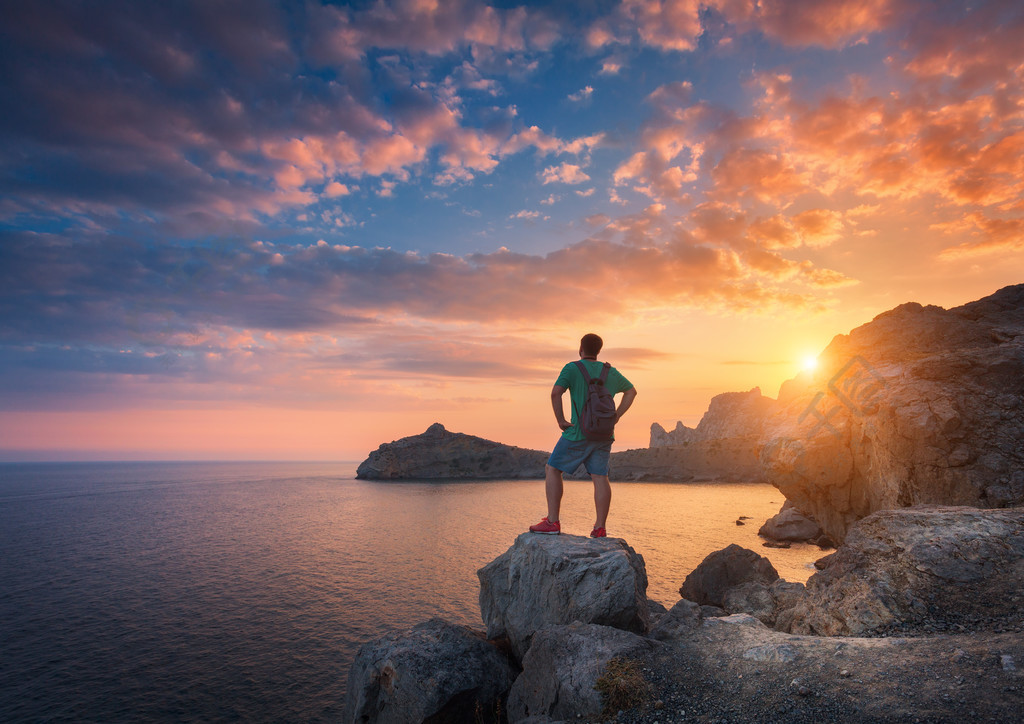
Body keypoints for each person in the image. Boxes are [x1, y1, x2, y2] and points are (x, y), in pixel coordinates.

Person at [529, 333, 637, 538]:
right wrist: (617, 416)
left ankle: (552, 522)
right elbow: (632, 391)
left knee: (552, 469)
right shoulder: (610, 372)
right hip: (604, 434)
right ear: (598, 351)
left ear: (581, 349)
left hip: (578, 433)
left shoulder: (572, 368)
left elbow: (555, 393)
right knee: (600, 477)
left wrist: (560, 420)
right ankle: (600, 528)